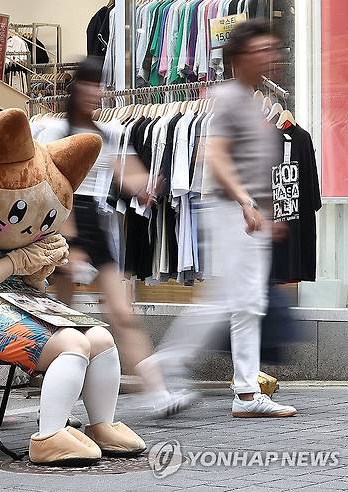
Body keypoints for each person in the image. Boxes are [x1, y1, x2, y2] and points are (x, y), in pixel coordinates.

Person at [0, 108, 147, 465]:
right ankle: (48, 435)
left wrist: (43, 259)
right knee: (72, 343)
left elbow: (29, 279)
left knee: (102, 338)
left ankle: (102, 424)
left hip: (21, 304)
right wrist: (18, 261)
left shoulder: (14, 235)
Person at [141, 20, 297, 418]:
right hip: (232, 211)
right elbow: (214, 155)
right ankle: (164, 364)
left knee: (247, 303)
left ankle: (246, 393)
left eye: (273, 50)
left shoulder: (251, 99)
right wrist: (246, 201)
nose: (271, 57)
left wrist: (267, 209)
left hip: (249, 214)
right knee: (226, 303)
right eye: (262, 49)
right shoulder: (229, 97)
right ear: (241, 56)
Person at [36, 57, 192, 416]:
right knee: (63, 318)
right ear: (76, 92)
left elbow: (128, 173)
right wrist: (68, 242)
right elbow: (48, 183)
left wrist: (146, 187)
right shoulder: (54, 132)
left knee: (121, 312)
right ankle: (58, 401)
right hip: (63, 221)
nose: (95, 95)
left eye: (99, 87)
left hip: (95, 222)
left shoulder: (109, 134)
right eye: (88, 87)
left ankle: (157, 392)